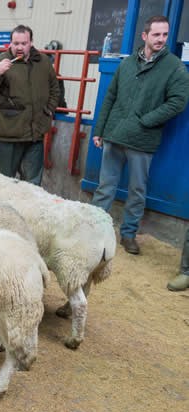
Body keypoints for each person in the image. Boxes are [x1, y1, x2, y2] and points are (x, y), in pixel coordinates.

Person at [90, 16, 189, 255]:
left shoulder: (174, 67)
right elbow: (110, 97)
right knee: (105, 187)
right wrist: (99, 130)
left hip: (143, 140)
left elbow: (178, 102)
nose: (161, 39)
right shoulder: (126, 64)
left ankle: (128, 234)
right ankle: (94, 231)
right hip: (114, 135)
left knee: (137, 191)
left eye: (165, 35)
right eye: (156, 34)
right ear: (145, 36)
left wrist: (146, 121)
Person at [0, 25, 60, 186]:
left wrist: (48, 110)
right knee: (4, 183)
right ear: (10, 43)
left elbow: (55, 88)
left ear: (31, 43)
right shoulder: (1, 61)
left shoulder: (43, 61)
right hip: (9, 134)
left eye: (23, 43)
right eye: (16, 43)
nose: (19, 47)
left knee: (32, 185)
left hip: (35, 134)